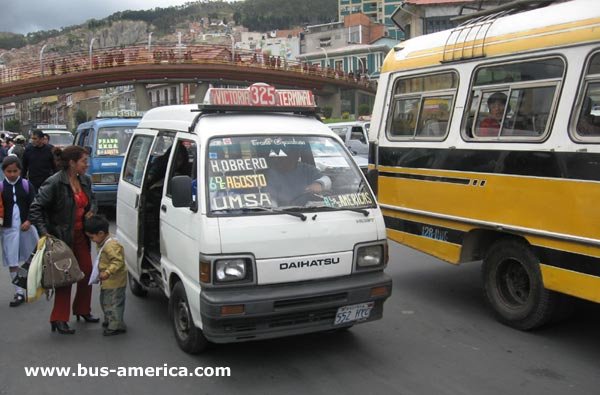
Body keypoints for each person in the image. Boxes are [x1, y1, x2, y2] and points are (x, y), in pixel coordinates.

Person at [29, 146, 97, 335]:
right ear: (72, 163)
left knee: (87, 272)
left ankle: (83, 310)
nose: (87, 164)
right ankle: (58, 318)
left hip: (81, 235)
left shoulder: (85, 180)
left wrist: (92, 210)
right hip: (61, 239)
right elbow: (35, 208)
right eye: (84, 161)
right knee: (65, 278)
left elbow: (93, 200)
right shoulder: (55, 182)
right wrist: (45, 233)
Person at [1, 156, 38, 307]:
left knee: (31, 258)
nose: (12, 174)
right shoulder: (1, 187)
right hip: (8, 229)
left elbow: (35, 205)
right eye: (8, 171)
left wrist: (29, 221)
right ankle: (18, 292)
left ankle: (31, 286)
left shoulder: (26, 185)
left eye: (15, 171)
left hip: (27, 228)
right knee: (12, 260)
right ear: (3, 171)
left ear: (20, 171)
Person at [84, 215, 127, 336]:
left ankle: (116, 326)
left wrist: (108, 272)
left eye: (92, 237)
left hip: (115, 281)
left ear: (101, 233)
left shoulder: (111, 245)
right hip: (108, 281)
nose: (92, 240)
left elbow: (118, 261)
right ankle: (111, 320)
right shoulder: (103, 242)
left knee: (113, 303)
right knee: (105, 301)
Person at [265, 145, 331, 207]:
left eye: (291, 155)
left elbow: (327, 179)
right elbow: (270, 199)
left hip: (308, 211)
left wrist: (320, 184)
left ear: (296, 156)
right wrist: (275, 211)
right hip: (283, 213)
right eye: (283, 157)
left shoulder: (307, 169)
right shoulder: (271, 174)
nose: (285, 159)